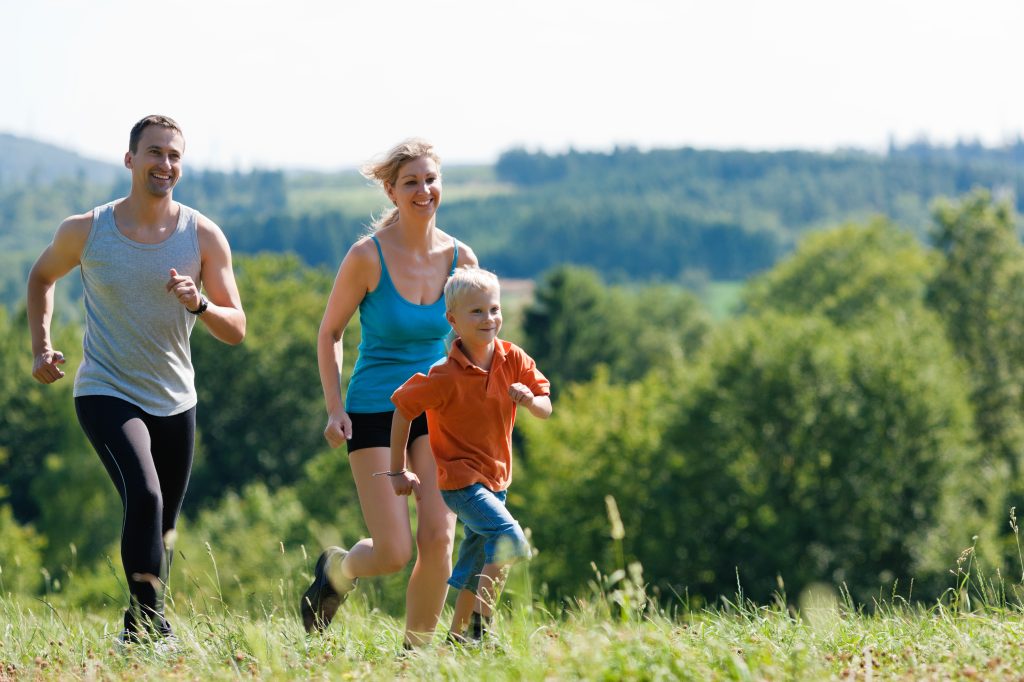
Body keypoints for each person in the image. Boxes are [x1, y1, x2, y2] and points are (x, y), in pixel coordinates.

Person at [26, 115, 246, 642]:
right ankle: (149, 630)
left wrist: (201, 303)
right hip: (106, 389)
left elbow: (236, 328)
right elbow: (40, 277)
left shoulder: (203, 234)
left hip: (175, 397)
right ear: (130, 160)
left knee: (162, 524)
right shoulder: (88, 229)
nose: (164, 164)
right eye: (154, 153)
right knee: (145, 495)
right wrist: (40, 346)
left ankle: (141, 626)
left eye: (173, 156)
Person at [303, 139, 478, 647]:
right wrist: (335, 408)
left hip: (438, 411)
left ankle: (415, 656)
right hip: (376, 411)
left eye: (430, 180)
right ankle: (339, 570)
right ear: (391, 190)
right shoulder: (367, 257)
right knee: (395, 551)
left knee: (438, 537)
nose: (424, 191)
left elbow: (475, 338)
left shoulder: (460, 258)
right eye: (411, 183)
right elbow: (330, 333)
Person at [388, 267, 552, 644]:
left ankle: (460, 640)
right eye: (476, 311)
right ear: (452, 320)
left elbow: (546, 405)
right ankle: (481, 626)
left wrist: (531, 401)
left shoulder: (513, 358)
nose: (488, 318)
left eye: (494, 309)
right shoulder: (443, 375)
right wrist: (397, 470)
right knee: (510, 539)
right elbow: (402, 409)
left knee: (477, 563)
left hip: (497, 480)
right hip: (460, 482)